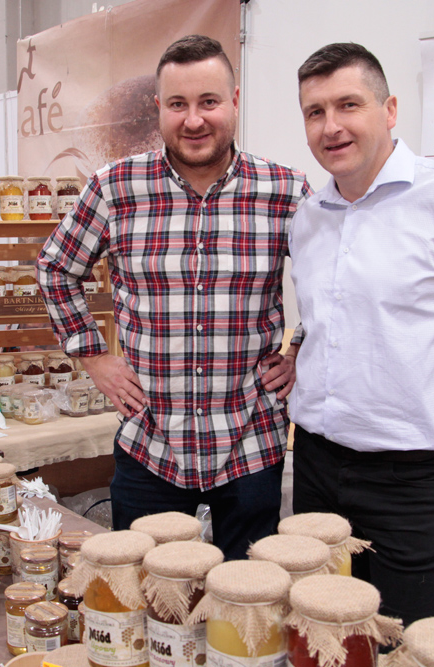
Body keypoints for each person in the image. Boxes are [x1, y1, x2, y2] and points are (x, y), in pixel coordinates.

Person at [36, 35, 310, 560]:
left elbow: (336, 281)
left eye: (209, 102)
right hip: (151, 444)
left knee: (247, 596)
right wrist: (93, 356)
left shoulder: (285, 191)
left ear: (234, 101)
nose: (194, 120)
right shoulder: (115, 188)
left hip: (251, 441)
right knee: (147, 593)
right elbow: (55, 268)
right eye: (178, 104)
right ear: (159, 107)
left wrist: (302, 349)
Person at [286, 43, 434, 625]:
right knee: (323, 635)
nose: (331, 126)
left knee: (408, 641)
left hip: (414, 480)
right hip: (317, 464)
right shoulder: (309, 217)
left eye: (349, 104)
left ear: (390, 109)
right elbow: (325, 321)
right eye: (315, 112)